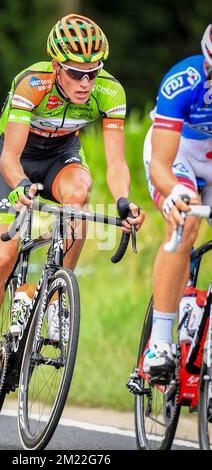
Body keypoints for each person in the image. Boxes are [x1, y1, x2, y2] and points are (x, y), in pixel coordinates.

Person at [0, 13, 145, 412]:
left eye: (93, 73)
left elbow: (115, 164)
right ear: (57, 66)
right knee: (3, 255)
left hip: (61, 156)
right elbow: (9, 155)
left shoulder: (109, 92)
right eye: (76, 74)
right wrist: (23, 185)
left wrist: (124, 199)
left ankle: (55, 292)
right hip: (16, 160)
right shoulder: (31, 83)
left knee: (79, 195)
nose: (86, 83)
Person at [143, 25, 212, 381]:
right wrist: (176, 192)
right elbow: (160, 164)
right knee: (185, 220)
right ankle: (159, 341)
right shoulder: (183, 81)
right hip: (178, 153)